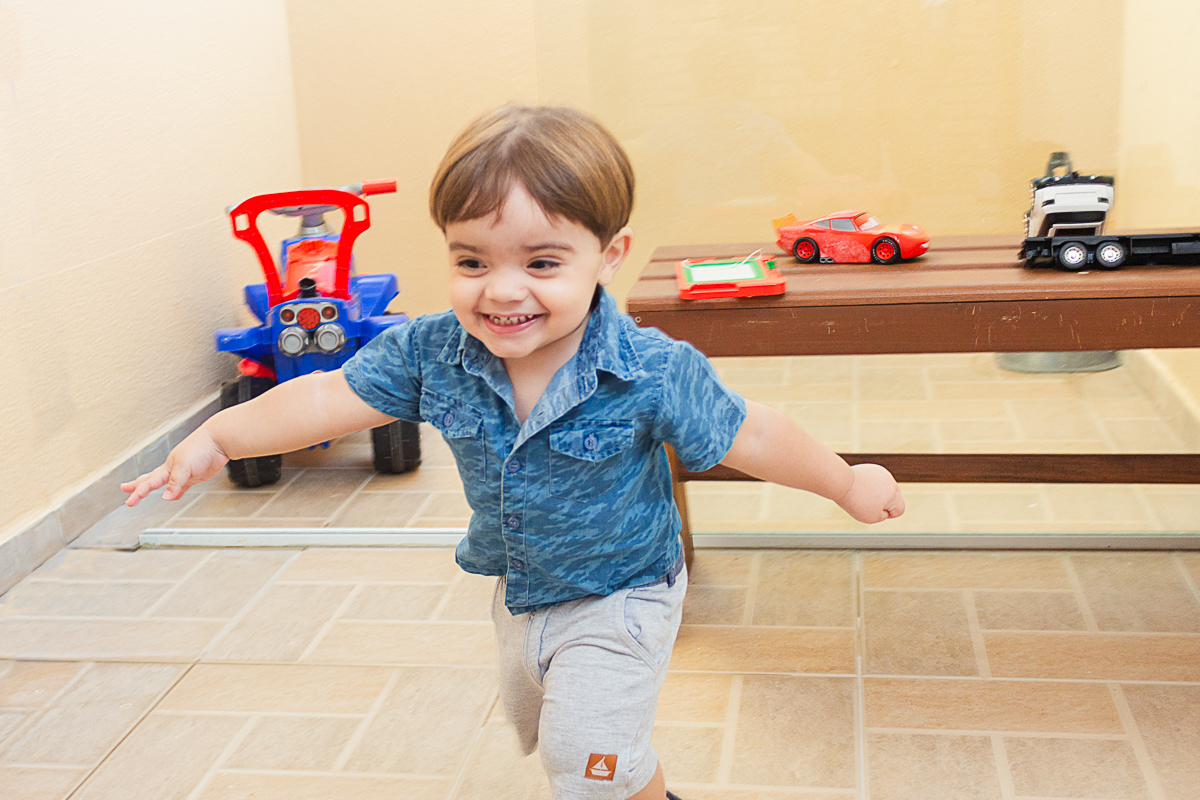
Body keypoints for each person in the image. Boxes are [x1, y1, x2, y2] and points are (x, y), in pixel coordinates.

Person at [123, 105, 904, 800]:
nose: (501, 291)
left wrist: (845, 481)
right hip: (523, 594)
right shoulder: (430, 352)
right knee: (592, 753)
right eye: (472, 261)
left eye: (541, 263)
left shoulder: (650, 370)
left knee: (584, 762)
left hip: (626, 592)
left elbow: (755, 433)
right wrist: (220, 436)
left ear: (609, 253)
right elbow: (326, 397)